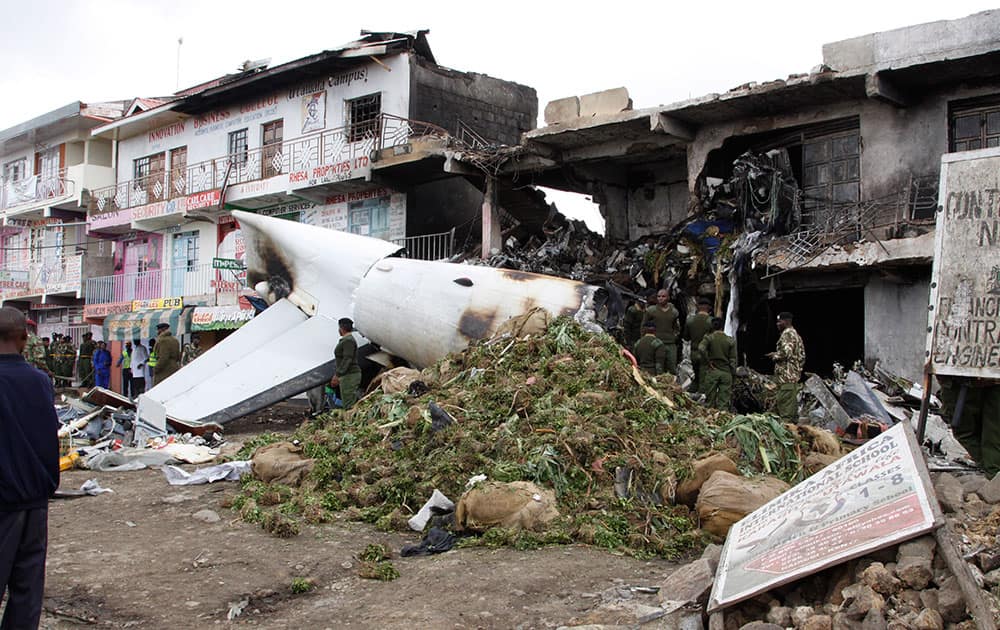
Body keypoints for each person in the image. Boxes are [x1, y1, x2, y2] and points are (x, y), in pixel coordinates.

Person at [0, 306, 60, 628]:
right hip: (35, 502)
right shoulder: (40, 382)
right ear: (25, 338)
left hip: (4, 502)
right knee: (27, 592)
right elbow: (48, 436)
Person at [938, 377, 1000, 477]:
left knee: (991, 435)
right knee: (985, 433)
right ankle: (992, 472)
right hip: (961, 377)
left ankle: (993, 473)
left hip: (967, 378)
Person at [768, 311, 806, 419]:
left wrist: (775, 356)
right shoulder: (795, 334)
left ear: (786, 322)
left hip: (786, 378)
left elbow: (786, 353)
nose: (777, 324)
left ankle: (786, 433)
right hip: (792, 377)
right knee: (791, 410)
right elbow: (800, 355)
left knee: (786, 413)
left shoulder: (788, 334)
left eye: (779, 321)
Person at [699, 317, 737, 410]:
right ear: (723, 327)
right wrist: (733, 374)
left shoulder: (709, 338)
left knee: (709, 403)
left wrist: (708, 362)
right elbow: (733, 360)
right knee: (724, 403)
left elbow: (701, 348)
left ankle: (710, 420)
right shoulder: (730, 340)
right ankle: (722, 420)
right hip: (726, 373)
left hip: (713, 371)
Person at [641, 288, 681, 375]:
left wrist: (675, 336)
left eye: (663, 296)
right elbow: (643, 325)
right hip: (656, 342)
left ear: (668, 298)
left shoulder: (674, 312)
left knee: (672, 367)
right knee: (658, 367)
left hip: (670, 343)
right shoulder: (651, 310)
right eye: (659, 296)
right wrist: (644, 339)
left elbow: (677, 328)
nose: (660, 298)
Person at [684, 298, 713, 393]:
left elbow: (686, 337)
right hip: (706, 354)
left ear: (698, 307)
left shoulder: (690, 320)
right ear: (709, 308)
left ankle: (692, 394)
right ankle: (702, 399)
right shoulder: (712, 321)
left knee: (696, 377)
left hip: (693, 353)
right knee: (704, 379)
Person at [331, 318, 362, 409]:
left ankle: (351, 420)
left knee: (348, 404)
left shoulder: (348, 341)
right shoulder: (346, 340)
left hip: (350, 375)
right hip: (347, 375)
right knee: (347, 401)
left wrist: (337, 374)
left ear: (341, 328)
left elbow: (347, 359)